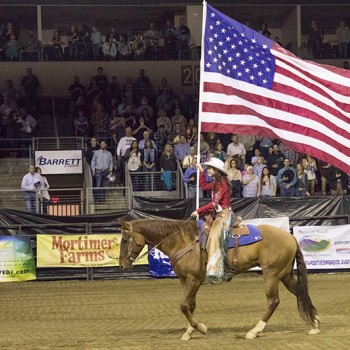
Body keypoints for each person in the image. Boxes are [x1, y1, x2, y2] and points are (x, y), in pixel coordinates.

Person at [190, 158, 232, 284]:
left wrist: (198, 211)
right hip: (219, 214)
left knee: (213, 237)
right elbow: (203, 186)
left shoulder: (221, 185)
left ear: (216, 171)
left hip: (224, 215)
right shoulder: (217, 183)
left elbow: (214, 204)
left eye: (210, 168)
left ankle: (215, 271)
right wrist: (201, 171)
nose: (208, 170)